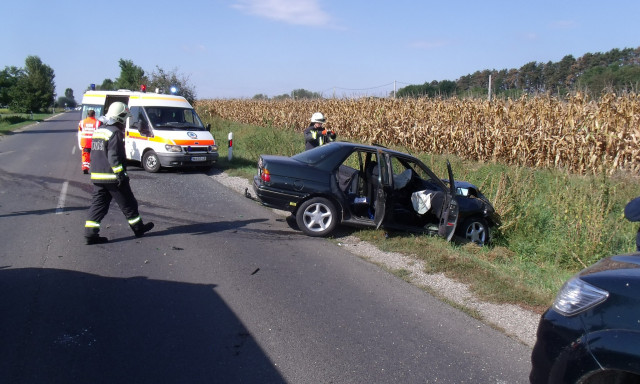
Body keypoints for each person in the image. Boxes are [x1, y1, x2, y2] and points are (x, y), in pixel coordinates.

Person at [84, 102, 154, 245]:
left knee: (98, 206)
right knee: (128, 203)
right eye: (124, 117)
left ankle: (90, 234)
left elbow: (94, 153)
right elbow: (113, 156)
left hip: (97, 175)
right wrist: (120, 174)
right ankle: (138, 228)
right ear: (120, 117)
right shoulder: (115, 131)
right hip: (112, 177)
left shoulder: (100, 130)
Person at [78, 109, 100, 174]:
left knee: (85, 155)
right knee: (95, 156)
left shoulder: (82, 122)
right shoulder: (97, 122)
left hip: (85, 142)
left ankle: (85, 168)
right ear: (94, 115)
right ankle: (95, 168)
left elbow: (80, 131)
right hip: (94, 142)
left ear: (87, 115)